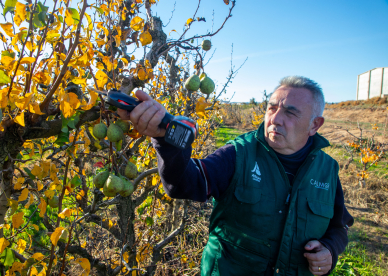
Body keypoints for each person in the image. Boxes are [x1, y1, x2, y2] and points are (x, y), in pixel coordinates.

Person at [117, 76, 354, 276]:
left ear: (315, 125)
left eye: (290, 113)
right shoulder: (238, 154)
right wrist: (165, 141)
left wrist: (330, 250)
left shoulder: (327, 169)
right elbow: (185, 184)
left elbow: (339, 226)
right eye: (272, 108)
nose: (275, 119)